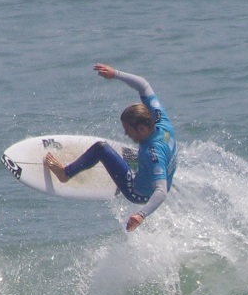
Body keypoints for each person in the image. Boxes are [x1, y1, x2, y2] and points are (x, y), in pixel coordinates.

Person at [44, 63, 178, 230]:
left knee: (101, 148)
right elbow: (143, 85)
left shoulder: (153, 154)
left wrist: (140, 214)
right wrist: (115, 74)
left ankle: (65, 173)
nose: (125, 134)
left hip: (139, 192)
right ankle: (137, 166)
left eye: (128, 130)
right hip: (158, 174)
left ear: (142, 128)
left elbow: (161, 191)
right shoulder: (161, 121)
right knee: (132, 155)